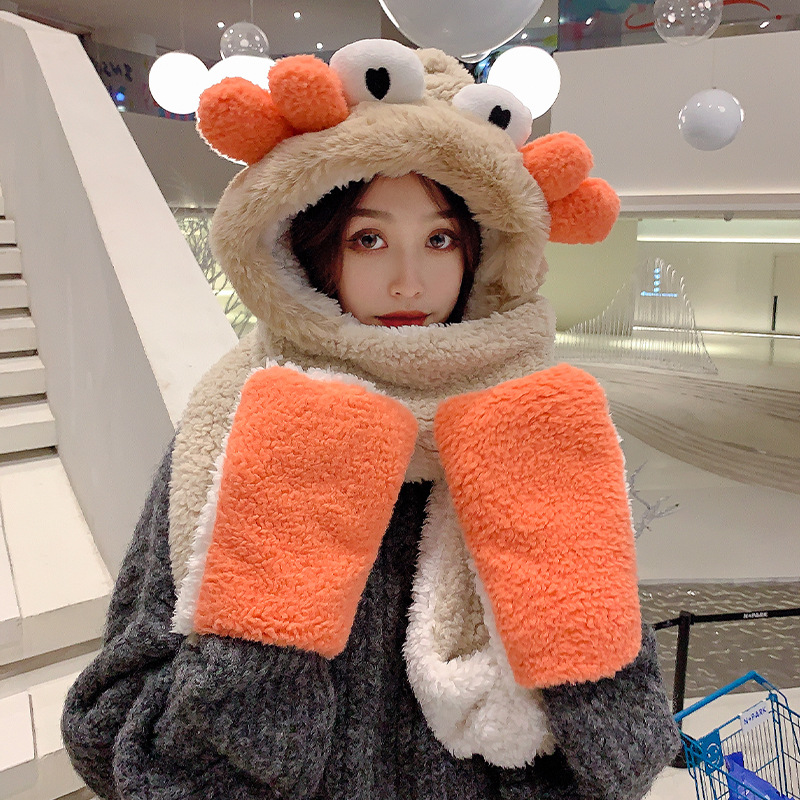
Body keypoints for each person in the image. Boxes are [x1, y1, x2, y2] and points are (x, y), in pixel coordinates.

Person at [62, 39, 680, 800]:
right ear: (310, 248)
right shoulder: (239, 427)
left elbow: (627, 756)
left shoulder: (536, 426)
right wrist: (270, 624)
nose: (409, 282)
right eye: (369, 238)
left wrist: (568, 630)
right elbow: (117, 741)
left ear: (483, 252)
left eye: (440, 239)